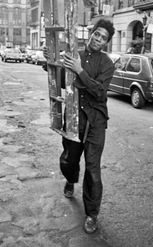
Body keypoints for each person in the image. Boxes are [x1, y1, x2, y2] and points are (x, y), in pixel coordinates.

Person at [43, 18, 115, 234]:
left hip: (95, 121)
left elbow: (100, 92)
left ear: (106, 42)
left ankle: (92, 213)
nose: (98, 39)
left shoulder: (107, 63)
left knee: (93, 169)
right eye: (97, 34)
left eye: (104, 38)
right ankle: (70, 179)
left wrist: (79, 71)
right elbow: (60, 77)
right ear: (91, 33)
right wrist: (51, 60)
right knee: (69, 159)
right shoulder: (75, 55)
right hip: (74, 116)